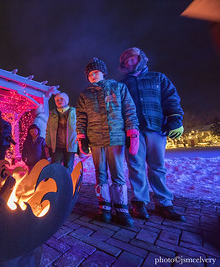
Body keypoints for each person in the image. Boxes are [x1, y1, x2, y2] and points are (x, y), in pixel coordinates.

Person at [119, 47, 186, 221]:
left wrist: (175, 117)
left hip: (156, 126)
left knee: (157, 165)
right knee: (136, 166)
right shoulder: (121, 84)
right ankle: (139, 202)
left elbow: (171, 97)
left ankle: (164, 202)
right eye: (125, 61)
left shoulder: (158, 78)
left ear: (141, 58)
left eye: (132, 58)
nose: (129, 62)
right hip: (132, 131)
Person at [76, 58, 139, 227]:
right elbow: (81, 118)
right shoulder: (85, 95)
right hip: (96, 139)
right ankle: (104, 206)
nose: (93, 76)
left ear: (103, 72)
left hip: (116, 138)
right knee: (100, 173)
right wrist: (81, 136)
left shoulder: (118, 88)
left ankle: (121, 208)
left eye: (95, 72)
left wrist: (132, 131)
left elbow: (129, 110)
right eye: (89, 74)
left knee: (117, 173)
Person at [46, 92, 77, 173]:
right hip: (57, 145)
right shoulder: (53, 114)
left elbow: (79, 127)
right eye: (57, 100)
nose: (59, 101)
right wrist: (48, 142)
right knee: (55, 166)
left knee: (68, 167)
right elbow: (49, 129)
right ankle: (56, 183)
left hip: (70, 144)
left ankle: (66, 184)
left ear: (66, 100)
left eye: (61, 99)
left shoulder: (74, 112)